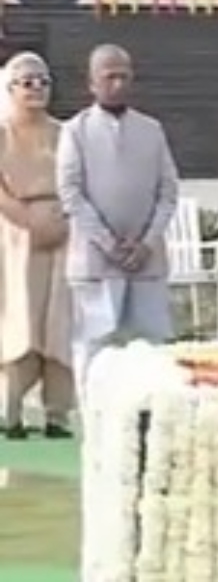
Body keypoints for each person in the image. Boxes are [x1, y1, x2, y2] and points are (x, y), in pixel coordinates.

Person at [58, 44, 179, 398]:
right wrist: (109, 244)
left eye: (124, 75)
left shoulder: (152, 130)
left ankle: (152, 419)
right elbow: (71, 193)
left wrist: (146, 242)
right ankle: (93, 422)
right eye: (110, 76)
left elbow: (168, 191)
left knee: (154, 346)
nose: (118, 83)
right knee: (96, 345)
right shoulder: (75, 131)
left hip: (147, 261)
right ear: (92, 83)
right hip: (96, 262)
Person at [0, 52, 72, 439]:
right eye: (28, 82)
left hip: (62, 234)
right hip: (15, 235)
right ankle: (10, 413)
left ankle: (57, 415)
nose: (37, 88)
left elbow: (78, 181)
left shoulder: (66, 134)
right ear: (11, 88)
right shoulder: (2, 134)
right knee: (21, 320)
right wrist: (27, 220)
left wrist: (61, 218)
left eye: (43, 81)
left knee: (59, 320)